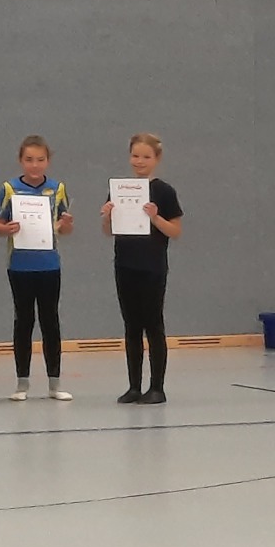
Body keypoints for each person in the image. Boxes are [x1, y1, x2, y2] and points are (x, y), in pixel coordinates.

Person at [100, 132, 184, 404]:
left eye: (146, 156)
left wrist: (155, 217)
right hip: (125, 264)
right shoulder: (121, 190)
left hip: (152, 267)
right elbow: (109, 231)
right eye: (135, 155)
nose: (139, 161)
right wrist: (108, 216)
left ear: (156, 159)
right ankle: (134, 386)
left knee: (153, 325)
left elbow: (175, 231)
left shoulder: (164, 191)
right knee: (131, 326)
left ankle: (157, 387)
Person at [0, 136, 74, 401]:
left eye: (40, 160)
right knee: (24, 322)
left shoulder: (57, 189)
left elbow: (64, 228)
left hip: (49, 265)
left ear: (48, 161)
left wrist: (66, 225)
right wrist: (7, 229)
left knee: (50, 322)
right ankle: (22, 384)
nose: (34, 165)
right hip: (20, 266)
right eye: (29, 160)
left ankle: (55, 384)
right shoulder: (9, 189)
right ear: (20, 161)